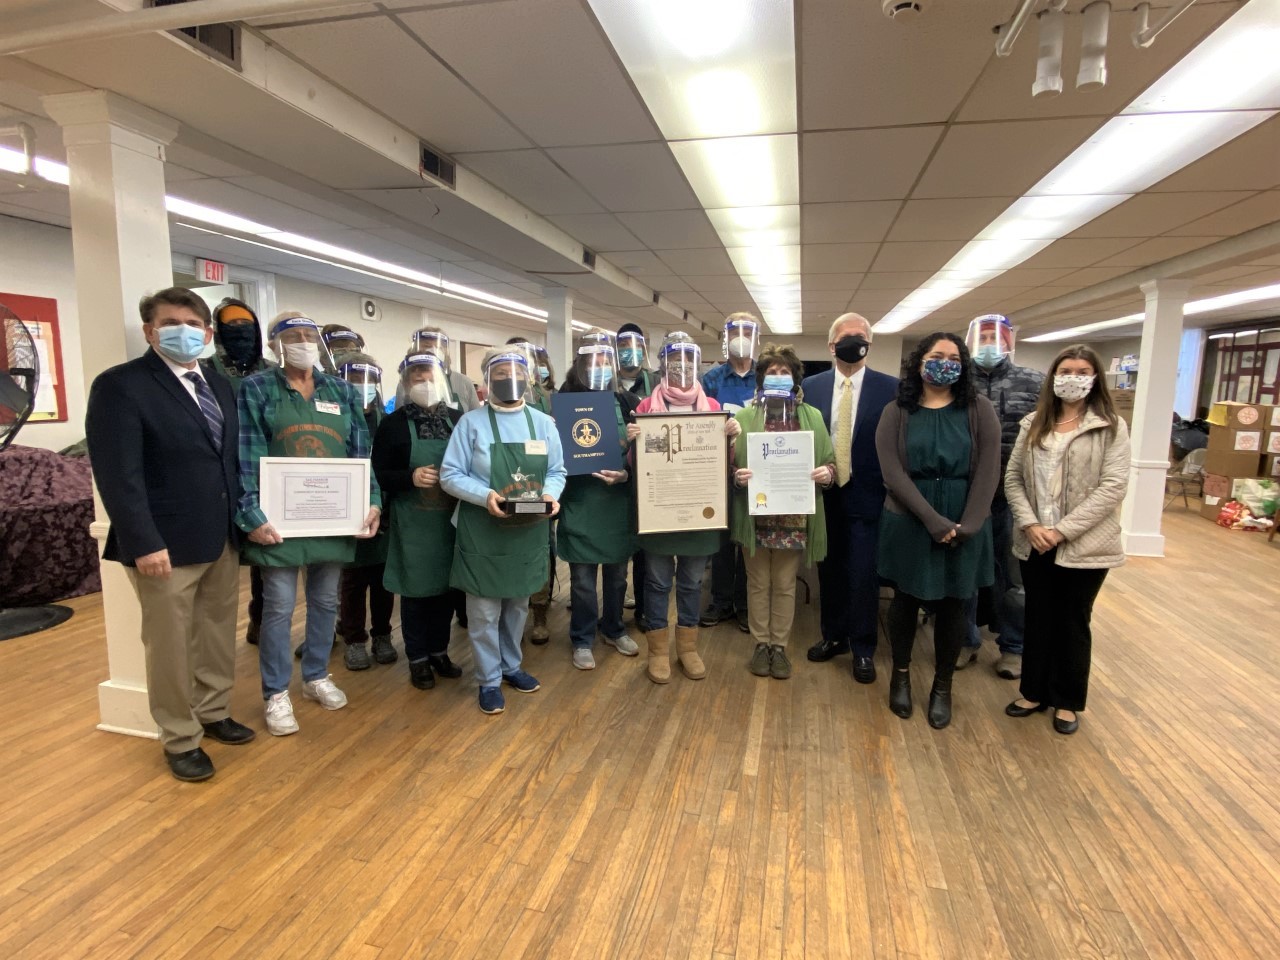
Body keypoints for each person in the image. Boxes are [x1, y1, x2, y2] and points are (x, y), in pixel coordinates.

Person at [86, 287, 254, 782]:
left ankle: (214, 710)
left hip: (219, 535)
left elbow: (226, 460)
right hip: (163, 544)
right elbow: (118, 474)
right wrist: (143, 541)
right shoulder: (122, 386)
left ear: (206, 334)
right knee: (170, 645)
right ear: (149, 331)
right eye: (169, 322)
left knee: (217, 633)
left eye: (192, 323)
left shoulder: (218, 385)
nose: (182, 331)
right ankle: (180, 737)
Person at [236, 313, 382, 736]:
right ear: (274, 345)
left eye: (308, 336)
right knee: (278, 607)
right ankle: (276, 693)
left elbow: (360, 453)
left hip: (333, 515)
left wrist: (371, 500)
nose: (302, 343)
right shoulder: (258, 388)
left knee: (326, 602)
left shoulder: (340, 390)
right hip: (279, 520)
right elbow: (246, 456)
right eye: (291, 336)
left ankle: (316, 674)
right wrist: (251, 514)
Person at [875, 332, 1000, 730]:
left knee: (953, 607)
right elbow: (893, 472)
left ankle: (942, 686)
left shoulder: (979, 409)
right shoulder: (897, 411)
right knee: (905, 602)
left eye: (952, 356)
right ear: (919, 362)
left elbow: (988, 470)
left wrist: (972, 524)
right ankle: (901, 674)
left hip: (966, 518)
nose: (944, 362)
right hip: (911, 516)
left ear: (962, 365)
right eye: (935, 355)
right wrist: (932, 520)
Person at [1003, 345, 1130, 736]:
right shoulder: (1033, 424)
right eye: (1065, 370)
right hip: (1035, 539)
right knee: (1037, 616)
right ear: (1053, 376)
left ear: (1094, 379)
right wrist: (1029, 524)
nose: (1072, 377)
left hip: (1086, 543)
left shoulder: (1110, 426)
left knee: (1073, 620)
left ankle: (1067, 701)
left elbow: (1113, 486)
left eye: (1081, 371)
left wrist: (1062, 530)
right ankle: (1033, 691)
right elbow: (1013, 479)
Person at [440, 349, 567, 715]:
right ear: (486, 379)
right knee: (482, 611)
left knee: (517, 604)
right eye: (500, 372)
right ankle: (489, 679)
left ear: (528, 379)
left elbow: (556, 471)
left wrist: (550, 495)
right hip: (483, 528)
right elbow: (450, 475)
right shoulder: (471, 424)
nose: (508, 378)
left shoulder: (544, 423)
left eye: (516, 371)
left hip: (527, 529)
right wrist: (484, 495)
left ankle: (512, 666)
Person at [629, 333, 740, 683]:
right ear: (662, 364)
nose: (681, 367)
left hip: (698, 512)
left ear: (697, 365)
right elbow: (636, 465)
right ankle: (658, 651)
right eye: (674, 360)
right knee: (658, 582)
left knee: (692, 583)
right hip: (659, 510)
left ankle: (688, 648)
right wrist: (631, 441)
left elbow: (724, 465)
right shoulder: (646, 407)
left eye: (687, 361)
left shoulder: (712, 408)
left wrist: (731, 439)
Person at [801, 314, 899, 684]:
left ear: (870, 344)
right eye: (846, 337)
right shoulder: (810, 386)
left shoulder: (889, 388)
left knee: (863, 574)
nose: (854, 341)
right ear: (831, 346)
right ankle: (833, 636)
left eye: (861, 337)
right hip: (824, 493)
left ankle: (863, 648)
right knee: (829, 572)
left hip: (869, 495)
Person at [729, 344, 836, 680]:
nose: (778, 377)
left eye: (783, 372)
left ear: (794, 377)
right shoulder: (744, 418)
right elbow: (727, 466)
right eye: (771, 372)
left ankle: (780, 647)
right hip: (755, 514)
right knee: (758, 582)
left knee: (785, 583)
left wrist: (827, 474)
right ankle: (761, 644)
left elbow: (830, 462)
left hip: (793, 515)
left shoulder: (812, 417)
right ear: (761, 379)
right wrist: (736, 475)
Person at [372, 352, 466, 691]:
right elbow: (379, 474)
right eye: (416, 378)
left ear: (440, 379)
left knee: (445, 591)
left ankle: (440, 652)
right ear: (405, 383)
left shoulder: (458, 419)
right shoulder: (393, 424)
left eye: (429, 376)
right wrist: (409, 477)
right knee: (415, 594)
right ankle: (418, 659)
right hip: (413, 524)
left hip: (450, 522)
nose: (424, 384)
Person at [958, 314, 1045, 680]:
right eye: (984, 336)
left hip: (1016, 494)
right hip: (967, 491)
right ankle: (965, 640)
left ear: (1010, 341)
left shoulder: (1035, 382)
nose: (990, 343)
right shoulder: (957, 382)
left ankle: (1013, 646)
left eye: (997, 336)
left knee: (1014, 578)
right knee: (964, 573)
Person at [556, 329, 641, 670]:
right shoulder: (560, 404)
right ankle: (582, 637)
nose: (600, 366)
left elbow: (641, 457)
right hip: (580, 502)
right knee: (583, 582)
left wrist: (626, 471)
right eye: (593, 360)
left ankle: (614, 627)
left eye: (606, 360)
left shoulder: (626, 403)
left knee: (618, 577)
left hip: (615, 504)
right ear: (579, 363)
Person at [202, 298, 271, 648]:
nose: (240, 334)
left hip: (267, 470)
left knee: (266, 553)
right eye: (231, 328)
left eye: (246, 327)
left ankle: (260, 616)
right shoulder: (205, 371)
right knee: (224, 552)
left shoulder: (271, 370)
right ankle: (214, 634)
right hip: (223, 471)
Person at [334, 352, 396, 670]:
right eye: (356, 381)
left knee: (383, 581)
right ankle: (355, 640)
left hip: (383, 512)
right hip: (346, 513)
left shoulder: (386, 423)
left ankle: (383, 635)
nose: (363, 387)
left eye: (369, 381)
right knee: (353, 582)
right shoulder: (334, 419)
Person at [700, 312, 760, 632]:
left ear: (755, 336)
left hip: (756, 469)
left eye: (746, 330)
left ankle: (745, 604)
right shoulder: (711, 379)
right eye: (734, 330)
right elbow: (698, 420)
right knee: (722, 541)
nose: (740, 336)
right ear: (725, 336)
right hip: (719, 471)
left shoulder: (765, 378)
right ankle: (721, 601)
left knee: (749, 539)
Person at [616, 322, 654, 630]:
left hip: (650, 482)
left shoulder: (656, 384)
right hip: (612, 481)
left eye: (636, 346)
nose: (630, 352)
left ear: (644, 350)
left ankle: (643, 609)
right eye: (623, 346)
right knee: (616, 550)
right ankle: (613, 612)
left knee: (646, 553)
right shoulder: (600, 384)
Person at [407, 323, 481, 411]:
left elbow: (475, 418)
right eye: (427, 346)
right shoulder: (408, 382)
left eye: (439, 347)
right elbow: (399, 418)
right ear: (415, 350)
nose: (433, 350)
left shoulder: (464, 382)